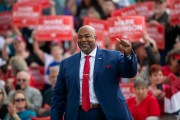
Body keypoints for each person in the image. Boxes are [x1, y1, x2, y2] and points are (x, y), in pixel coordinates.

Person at [51, 25, 137, 120]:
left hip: (107, 114)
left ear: (95, 38)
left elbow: (129, 73)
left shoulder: (113, 57)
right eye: (80, 37)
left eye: (87, 36)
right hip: (78, 115)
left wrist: (128, 55)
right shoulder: (66, 63)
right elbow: (58, 96)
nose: (83, 39)